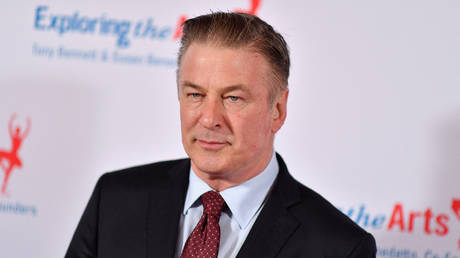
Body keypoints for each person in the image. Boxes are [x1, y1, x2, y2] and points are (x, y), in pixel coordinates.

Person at [66, 12, 376, 258]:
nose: (210, 118)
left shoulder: (338, 247)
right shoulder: (115, 199)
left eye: (233, 98)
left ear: (277, 110)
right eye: (195, 94)